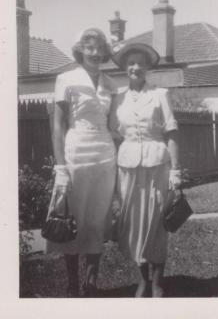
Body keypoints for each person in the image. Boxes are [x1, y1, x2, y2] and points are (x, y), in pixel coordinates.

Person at [45, 28, 117, 297]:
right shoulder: (66, 78)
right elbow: (58, 127)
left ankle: (91, 283)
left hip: (105, 154)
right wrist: (61, 167)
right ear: (80, 50)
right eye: (90, 48)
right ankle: (72, 284)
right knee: (73, 217)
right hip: (76, 151)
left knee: (97, 219)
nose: (96, 53)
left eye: (100, 48)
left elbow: (114, 126)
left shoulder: (111, 84)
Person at [110, 43, 182, 297]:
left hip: (156, 164)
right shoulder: (117, 98)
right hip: (128, 167)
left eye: (141, 63)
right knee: (134, 224)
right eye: (131, 63)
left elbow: (171, 133)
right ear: (124, 67)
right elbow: (114, 136)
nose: (136, 67)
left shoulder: (160, 94)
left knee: (156, 222)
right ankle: (142, 279)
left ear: (148, 67)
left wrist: (175, 171)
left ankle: (158, 281)